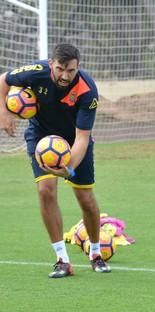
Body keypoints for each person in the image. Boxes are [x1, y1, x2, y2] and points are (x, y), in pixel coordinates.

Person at [0, 43, 111, 278]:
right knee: (46, 191)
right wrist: (4, 111)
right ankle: (62, 259)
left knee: (86, 199)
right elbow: (3, 81)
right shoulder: (36, 72)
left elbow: (82, 138)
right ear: (52, 64)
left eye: (71, 70)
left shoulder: (87, 91)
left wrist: (69, 168)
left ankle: (95, 252)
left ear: (78, 67)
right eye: (60, 69)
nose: (65, 75)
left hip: (72, 142)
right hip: (41, 138)